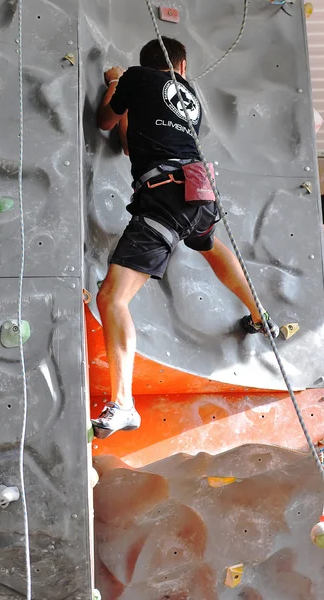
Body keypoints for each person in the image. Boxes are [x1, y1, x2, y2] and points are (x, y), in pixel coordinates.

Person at [92, 37, 279, 439]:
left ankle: (123, 403)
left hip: (164, 196)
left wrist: (113, 82)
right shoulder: (188, 94)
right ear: (182, 64)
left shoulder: (136, 78)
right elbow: (129, 142)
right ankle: (260, 314)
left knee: (112, 297)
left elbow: (107, 121)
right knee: (207, 243)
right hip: (198, 192)